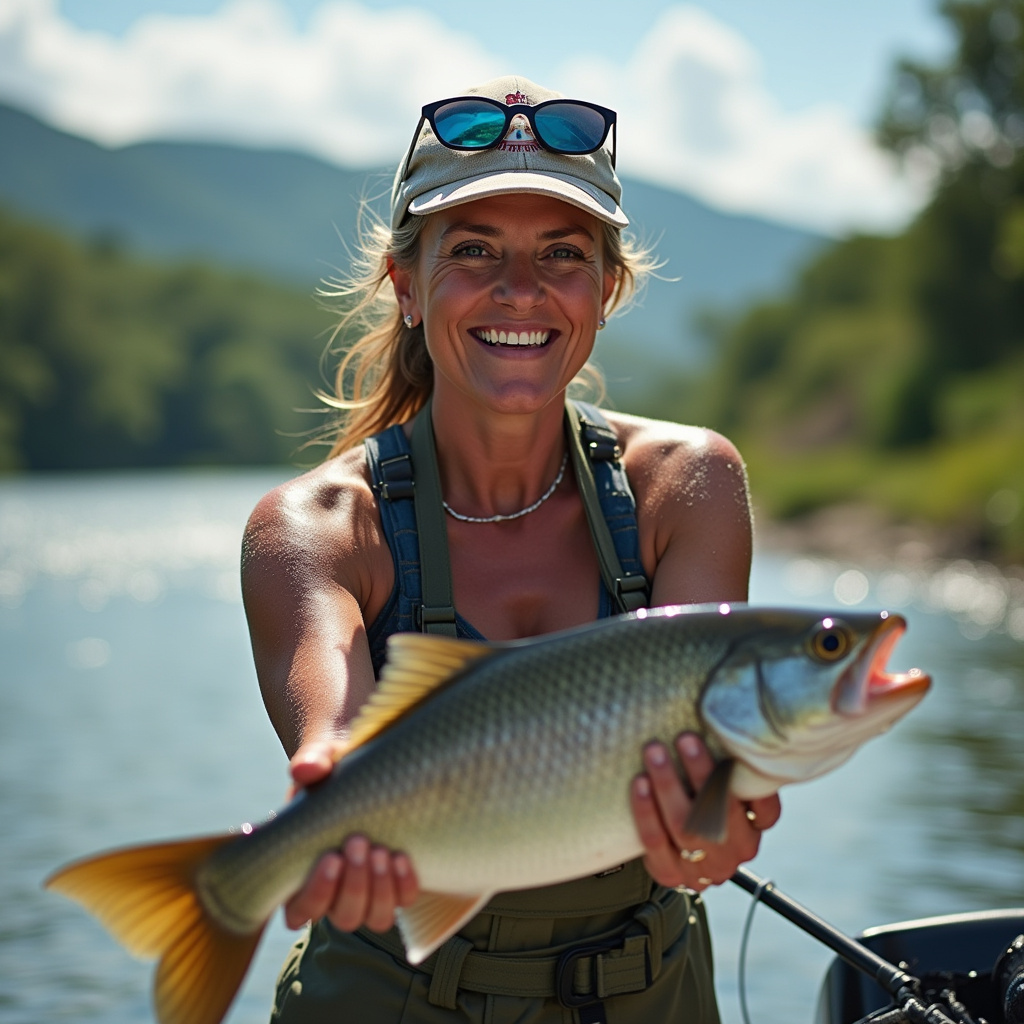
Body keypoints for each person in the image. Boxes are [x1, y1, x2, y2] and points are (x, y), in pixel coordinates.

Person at [242, 74, 781, 1024]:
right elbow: (334, 737)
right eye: (474, 249)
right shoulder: (315, 526)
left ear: (606, 290)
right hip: (385, 992)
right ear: (407, 287)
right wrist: (332, 788)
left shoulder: (687, 484)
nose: (521, 288)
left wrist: (709, 825)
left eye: (562, 253)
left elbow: (708, 749)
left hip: (650, 992)